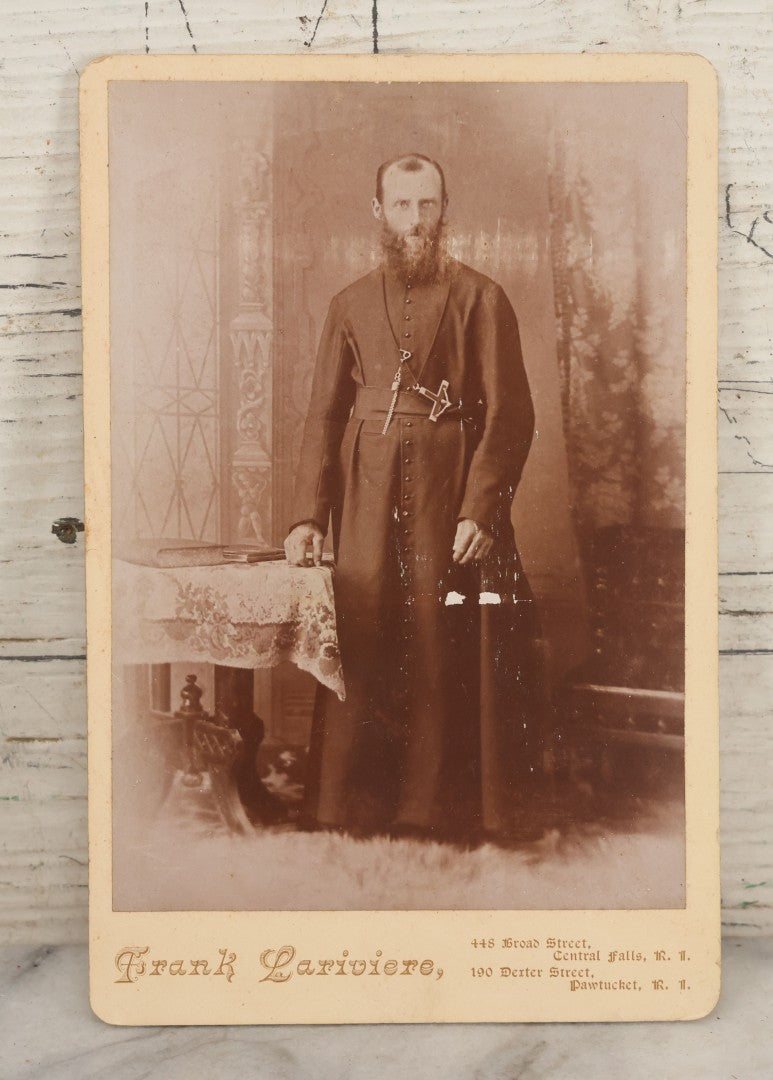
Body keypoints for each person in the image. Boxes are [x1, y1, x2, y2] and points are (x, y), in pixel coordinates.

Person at [284, 152, 545, 843]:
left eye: (426, 205)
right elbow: (322, 417)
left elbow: (510, 415)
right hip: (365, 498)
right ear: (378, 213)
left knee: (439, 640)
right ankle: (351, 805)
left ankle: (432, 812)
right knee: (365, 633)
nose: (414, 221)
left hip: (448, 494)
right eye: (400, 205)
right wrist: (308, 515)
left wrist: (479, 509)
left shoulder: (481, 298)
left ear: (443, 211)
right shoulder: (347, 304)